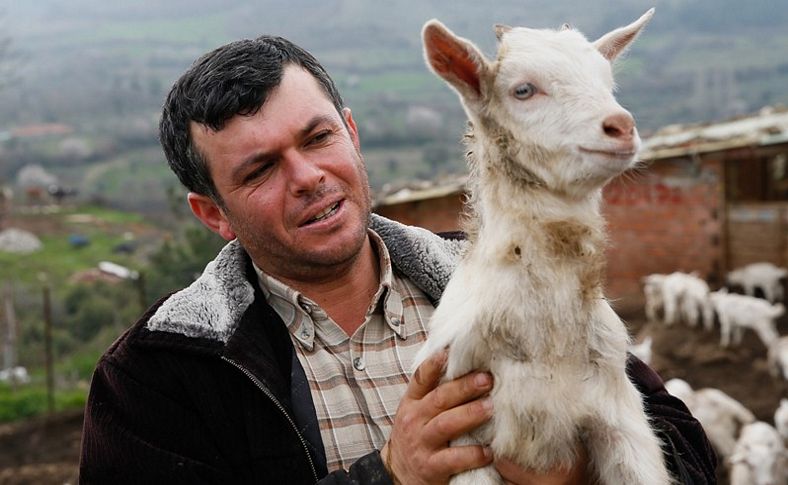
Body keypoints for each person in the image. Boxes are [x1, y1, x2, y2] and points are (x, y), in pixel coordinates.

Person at [79, 35, 716, 484]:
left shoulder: (511, 281)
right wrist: (389, 476)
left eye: (318, 138)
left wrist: (575, 475)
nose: (308, 177)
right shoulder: (158, 377)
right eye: (260, 169)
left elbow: (684, 445)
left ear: (351, 135)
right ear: (213, 214)